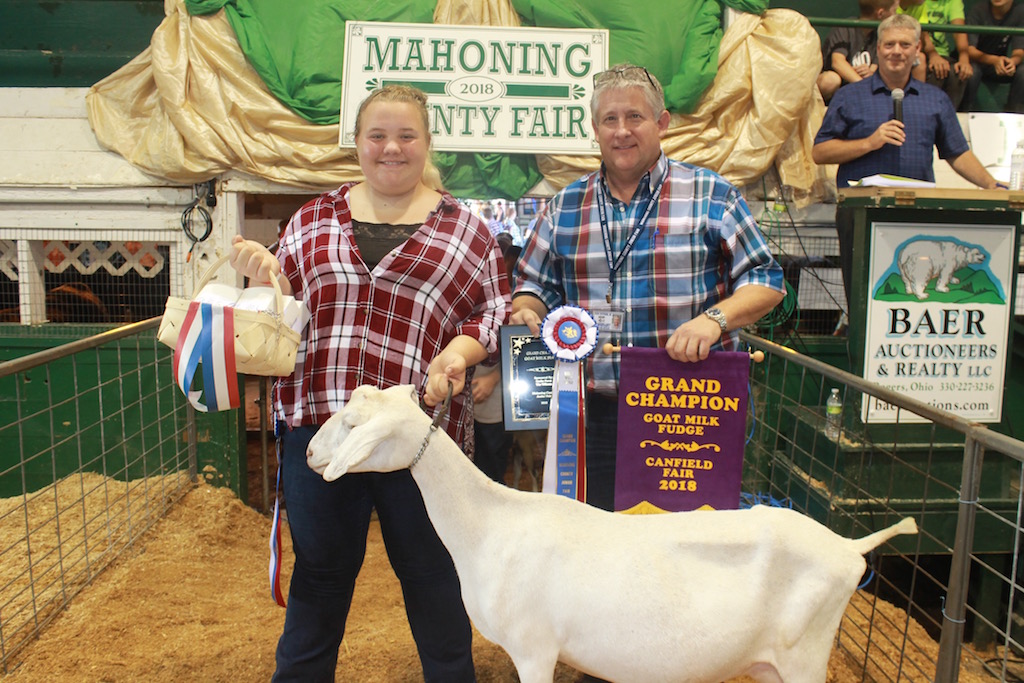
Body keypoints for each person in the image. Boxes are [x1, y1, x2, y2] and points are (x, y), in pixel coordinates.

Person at [228, 84, 510, 682]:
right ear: (356, 142)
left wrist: (457, 354)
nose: (391, 148)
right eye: (377, 135)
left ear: (427, 143)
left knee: (432, 577)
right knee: (320, 576)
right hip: (323, 428)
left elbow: (488, 314)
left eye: (406, 135)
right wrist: (262, 274)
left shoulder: (467, 231)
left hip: (420, 436)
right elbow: (283, 304)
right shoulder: (311, 220)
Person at [510, 64, 786, 513]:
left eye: (634, 117)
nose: (622, 131)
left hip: (686, 409)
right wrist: (527, 309)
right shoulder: (563, 207)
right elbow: (531, 284)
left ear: (662, 123)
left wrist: (714, 320)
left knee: (682, 540)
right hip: (589, 416)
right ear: (595, 129)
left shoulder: (711, 195)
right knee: (594, 535)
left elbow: (766, 280)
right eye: (610, 119)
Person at [812, 13, 999, 305]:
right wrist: (869, 143)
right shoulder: (849, 96)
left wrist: (991, 184)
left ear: (917, 50)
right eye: (889, 44)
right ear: (878, 49)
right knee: (862, 298)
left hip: (916, 214)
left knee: (911, 298)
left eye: (904, 44)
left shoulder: (934, 99)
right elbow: (820, 151)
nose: (896, 51)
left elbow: (957, 152)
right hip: (860, 213)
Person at [472, 232, 517, 484]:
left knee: (490, 470)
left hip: (495, 400)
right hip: (463, 396)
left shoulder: (513, 299)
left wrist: (494, 377)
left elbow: (521, 348)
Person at [817, 0, 901, 103]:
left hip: (861, 93)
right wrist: (863, 86)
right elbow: (837, 62)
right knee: (831, 80)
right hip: (840, 89)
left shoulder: (879, 34)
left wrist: (870, 72)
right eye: (894, 11)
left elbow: (875, 65)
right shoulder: (846, 28)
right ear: (880, 13)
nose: (895, 15)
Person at [903, 0, 972, 108]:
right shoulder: (919, 2)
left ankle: (949, 113)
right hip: (920, 52)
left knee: (958, 72)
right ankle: (928, 111)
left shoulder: (951, 2)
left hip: (942, 53)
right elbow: (923, 34)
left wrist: (964, 59)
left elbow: (959, 30)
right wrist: (933, 55)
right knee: (936, 71)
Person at [964, 0, 1024, 113]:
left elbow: (1019, 51)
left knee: (1022, 71)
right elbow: (969, 50)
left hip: (999, 64)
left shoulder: (1020, 11)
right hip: (977, 62)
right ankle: (965, 113)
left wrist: (1012, 62)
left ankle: (1014, 115)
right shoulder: (978, 10)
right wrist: (994, 60)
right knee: (972, 71)